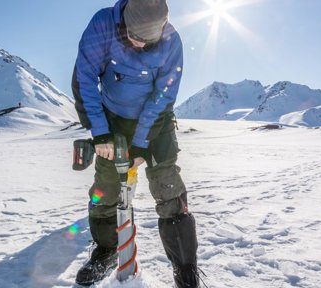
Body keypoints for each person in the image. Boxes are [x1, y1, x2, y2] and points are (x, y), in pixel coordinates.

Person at [72, 0, 199, 287]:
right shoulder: (102, 25)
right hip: (112, 117)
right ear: (124, 23)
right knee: (105, 191)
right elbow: (85, 78)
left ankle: (185, 268)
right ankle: (105, 251)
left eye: (147, 40)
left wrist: (142, 143)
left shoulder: (171, 41)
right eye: (135, 38)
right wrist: (101, 133)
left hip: (155, 120)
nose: (140, 45)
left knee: (168, 188)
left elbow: (163, 96)